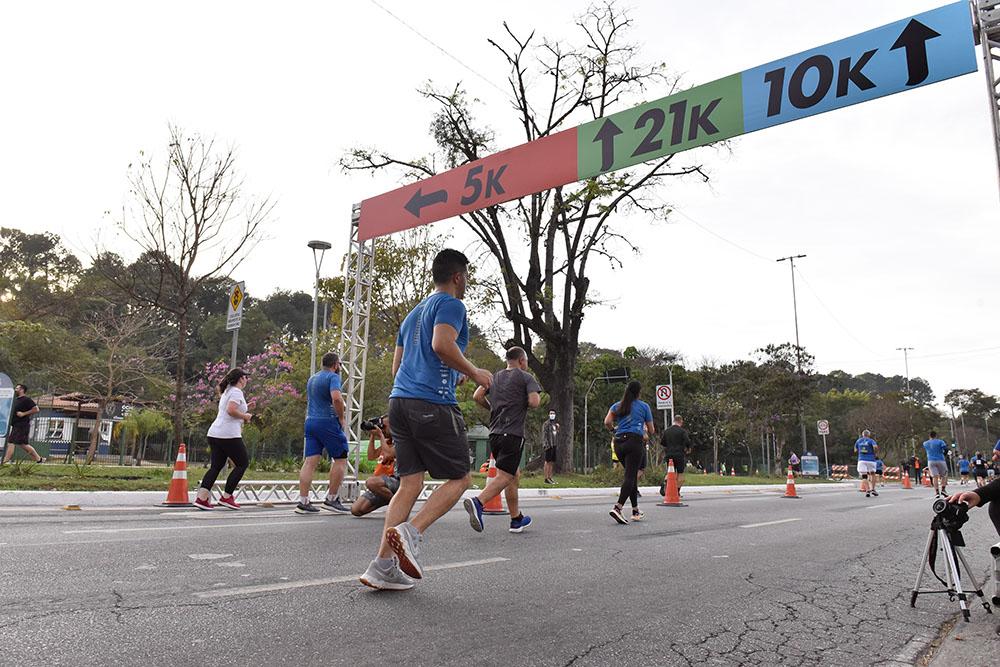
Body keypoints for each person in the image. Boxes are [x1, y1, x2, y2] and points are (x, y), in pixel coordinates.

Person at [359, 249, 492, 591]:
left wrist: (453, 373)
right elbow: (441, 344)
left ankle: (382, 566)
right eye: (466, 277)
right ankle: (412, 533)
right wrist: (475, 372)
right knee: (461, 478)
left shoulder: (412, 314)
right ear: (458, 277)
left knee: (410, 484)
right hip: (432, 403)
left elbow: (398, 368)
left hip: (400, 403)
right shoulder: (451, 304)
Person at [463, 346, 541, 534]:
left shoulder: (494, 377)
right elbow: (535, 402)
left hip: (495, 433)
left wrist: (493, 408)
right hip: (512, 433)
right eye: (526, 362)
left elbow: (477, 396)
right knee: (505, 476)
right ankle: (478, 502)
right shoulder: (526, 378)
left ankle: (516, 519)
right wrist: (518, 403)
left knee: (513, 475)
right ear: (522, 361)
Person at [296, 352, 351, 515]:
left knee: (310, 462)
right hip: (327, 421)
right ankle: (332, 499)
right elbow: (337, 398)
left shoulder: (312, 378)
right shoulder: (333, 377)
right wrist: (341, 417)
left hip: (310, 421)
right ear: (335, 365)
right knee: (341, 458)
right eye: (339, 364)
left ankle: (303, 501)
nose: (340, 367)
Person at [194, 369, 251, 511]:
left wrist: (243, 413)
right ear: (240, 379)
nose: (247, 380)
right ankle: (227, 496)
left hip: (214, 433)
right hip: (228, 434)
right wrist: (245, 417)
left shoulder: (227, 391)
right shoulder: (236, 392)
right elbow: (231, 410)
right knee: (242, 463)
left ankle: (202, 498)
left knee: (216, 466)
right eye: (246, 377)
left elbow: (229, 409)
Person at [604, 380, 654, 524]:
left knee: (630, 476)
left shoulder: (617, 406)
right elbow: (651, 430)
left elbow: (607, 422)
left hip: (618, 442)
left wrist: (614, 430)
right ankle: (618, 507)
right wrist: (645, 431)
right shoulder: (644, 406)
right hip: (634, 442)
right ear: (639, 392)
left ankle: (635, 510)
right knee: (630, 476)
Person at [350, 414, 399, 518]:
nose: (382, 429)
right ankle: (389, 498)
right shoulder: (387, 442)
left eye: (384, 427)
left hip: (398, 481)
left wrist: (380, 435)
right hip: (382, 485)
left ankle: (398, 506)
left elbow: (388, 454)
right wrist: (372, 435)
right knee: (356, 509)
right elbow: (371, 456)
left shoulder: (402, 441)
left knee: (371, 482)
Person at [2, 384, 44, 464]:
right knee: (23, 444)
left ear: (22, 390)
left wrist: (24, 413)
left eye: (17, 388)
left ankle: (4, 461)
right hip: (16, 424)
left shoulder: (26, 399)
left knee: (11, 442)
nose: (15, 389)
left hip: (22, 424)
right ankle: (39, 459)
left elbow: (36, 409)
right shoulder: (16, 400)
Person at [660, 415, 693, 495]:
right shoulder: (682, 431)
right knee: (680, 473)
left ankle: (665, 482)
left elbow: (662, 442)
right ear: (681, 421)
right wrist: (688, 448)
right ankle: (676, 491)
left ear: (674, 421)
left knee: (670, 472)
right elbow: (687, 441)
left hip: (669, 454)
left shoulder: (667, 431)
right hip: (679, 454)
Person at [922, 430, 949, 498]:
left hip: (931, 461)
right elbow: (946, 449)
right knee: (944, 475)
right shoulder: (940, 442)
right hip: (940, 460)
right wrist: (944, 454)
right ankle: (943, 489)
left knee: (935, 477)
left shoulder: (925, 443)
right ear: (936, 435)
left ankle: (937, 492)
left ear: (929, 436)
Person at [855, 429, 879, 498]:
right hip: (871, 459)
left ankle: (867, 490)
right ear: (869, 435)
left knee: (864, 476)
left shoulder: (858, 441)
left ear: (862, 435)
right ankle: (873, 489)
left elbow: (855, 450)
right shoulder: (871, 441)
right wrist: (875, 453)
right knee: (873, 474)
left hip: (862, 460)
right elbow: (875, 447)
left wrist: (861, 451)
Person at [542, 410, 559, 484]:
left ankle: (550, 477)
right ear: (549, 415)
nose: (552, 415)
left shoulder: (554, 424)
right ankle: (546, 478)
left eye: (553, 413)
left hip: (554, 444)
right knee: (547, 461)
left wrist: (557, 428)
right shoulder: (546, 424)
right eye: (551, 413)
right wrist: (546, 444)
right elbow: (544, 435)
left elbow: (555, 434)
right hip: (549, 445)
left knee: (552, 462)